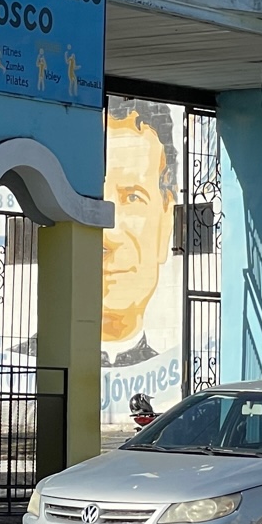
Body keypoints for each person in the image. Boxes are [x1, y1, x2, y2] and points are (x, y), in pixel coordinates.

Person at [101, 100, 178, 369]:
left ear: (166, 218)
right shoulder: (20, 364)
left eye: (132, 197)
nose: (108, 235)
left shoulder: (169, 370)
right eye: (94, 197)